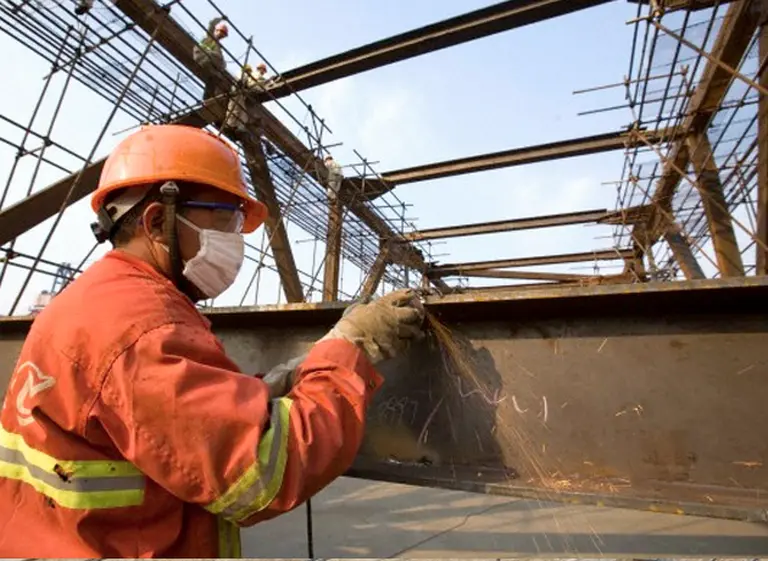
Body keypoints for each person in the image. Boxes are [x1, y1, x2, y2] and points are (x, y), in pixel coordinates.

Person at [0, 124, 425, 557]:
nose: (235, 240)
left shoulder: (97, 300)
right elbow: (262, 473)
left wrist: (282, 380)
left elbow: (169, 421)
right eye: (225, 220)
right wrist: (352, 349)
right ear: (159, 220)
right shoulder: (141, 326)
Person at [224, 62, 272, 135]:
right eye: (263, 70)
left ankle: (233, 126)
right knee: (237, 111)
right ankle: (236, 127)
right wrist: (268, 81)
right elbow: (252, 83)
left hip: (238, 93)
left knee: (236, 110)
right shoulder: (250, 74)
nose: (264, 72)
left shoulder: (245, 75)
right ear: (260, 69)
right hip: (238, 93)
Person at [193, 17, 229, 104]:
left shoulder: (218, 47)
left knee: (215, 76)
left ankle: (207, 100)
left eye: (223, 34)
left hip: (208, 62)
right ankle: (208, 100)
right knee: (219, 61)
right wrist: (221, 18)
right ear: (216, 31)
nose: (221, 34)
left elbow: (221, 63)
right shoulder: (210, 37)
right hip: (203, 57)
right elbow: (212, 24)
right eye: (221, 31)